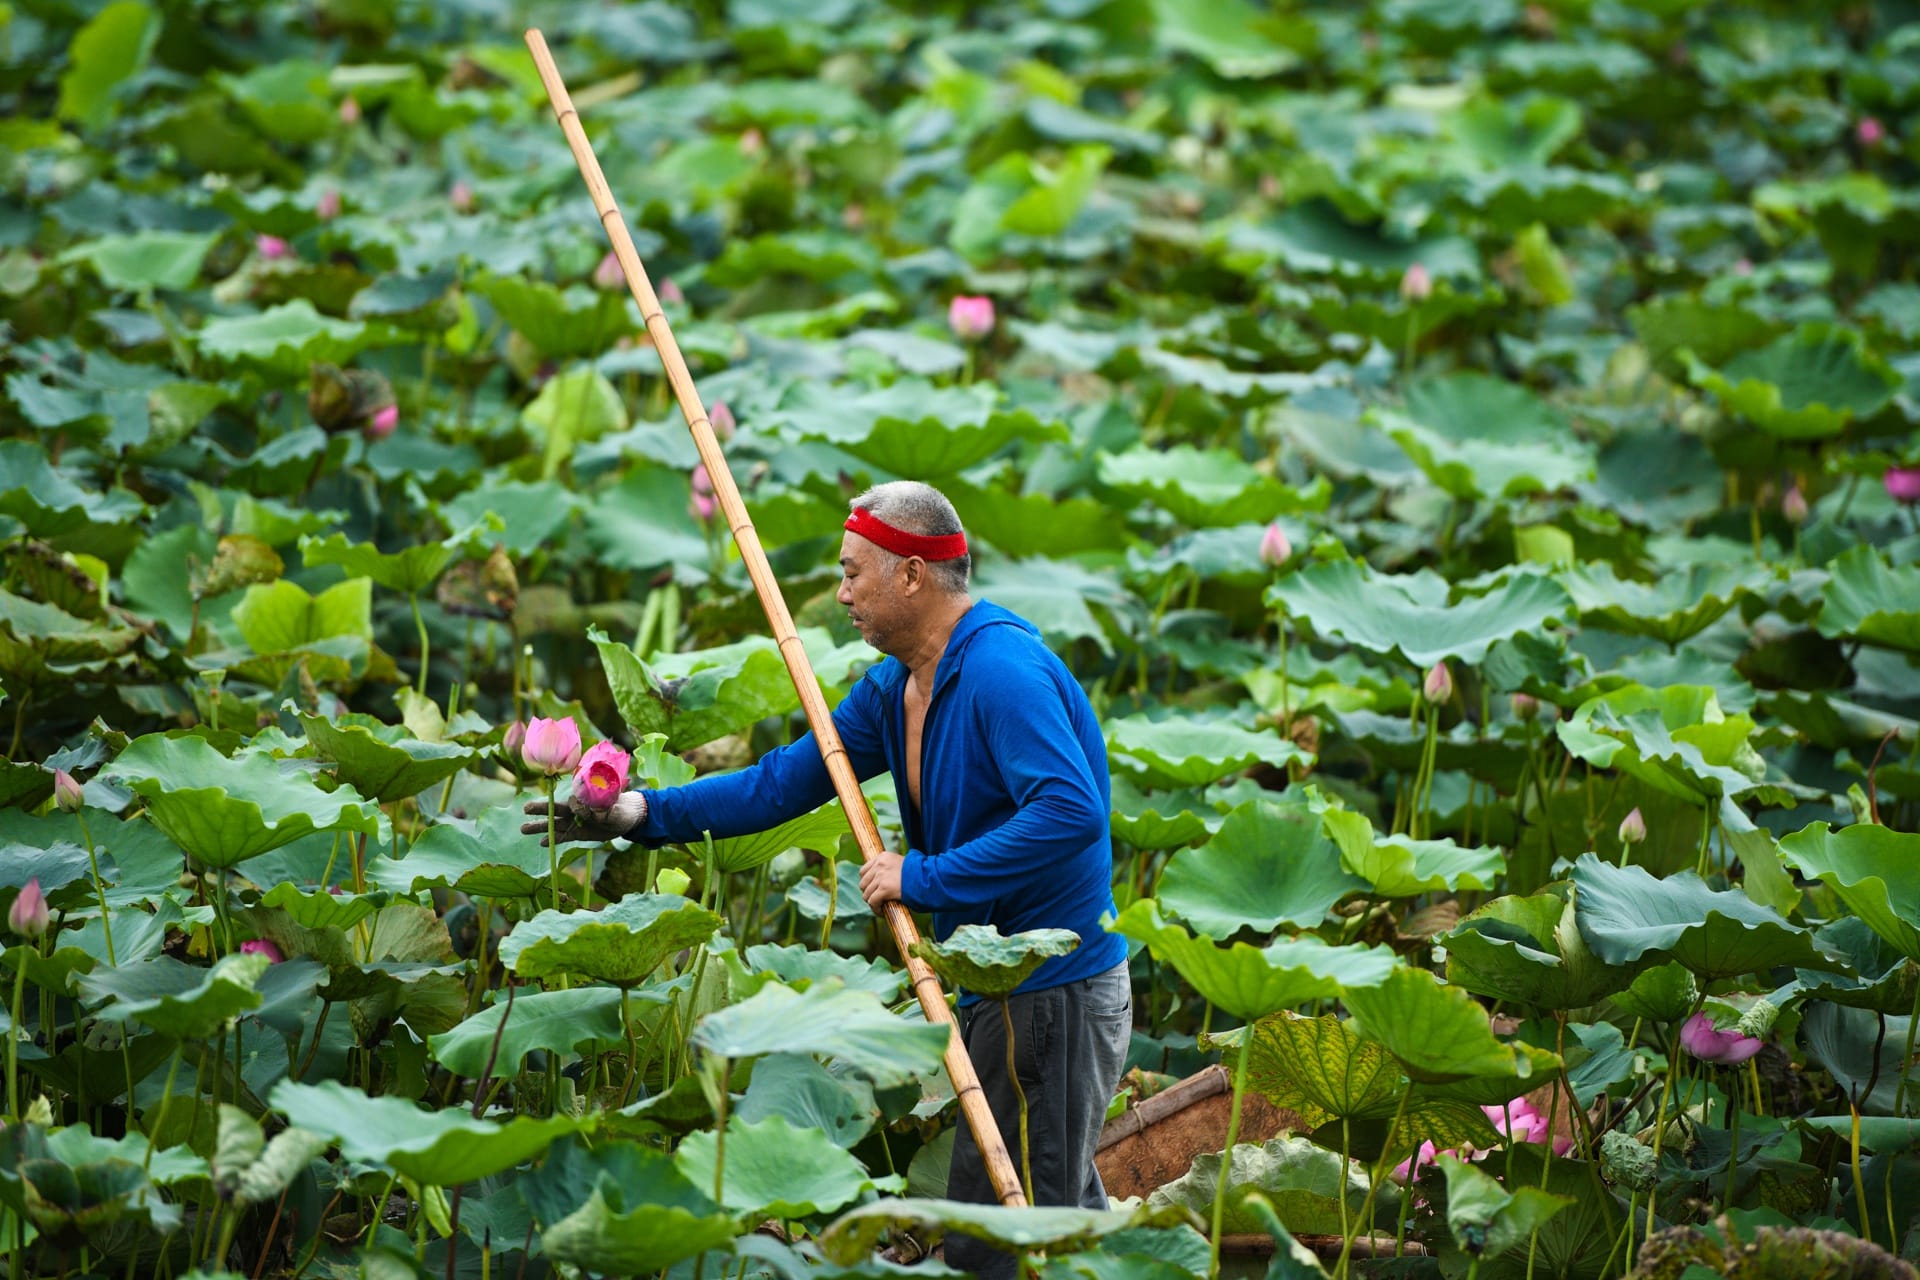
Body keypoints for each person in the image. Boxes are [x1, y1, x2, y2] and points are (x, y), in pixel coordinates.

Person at [523, 480, 1131, 1275]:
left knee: (1024, 1243)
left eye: (852, 573)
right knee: (1005, 1234)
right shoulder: (899, 683)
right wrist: (641, 813)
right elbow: (784, 782)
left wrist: (926, 876)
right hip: (996, 987)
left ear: (911, 575)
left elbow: (1070, 814)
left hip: (1053, 995)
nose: (840, 594)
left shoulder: (1000, 672)